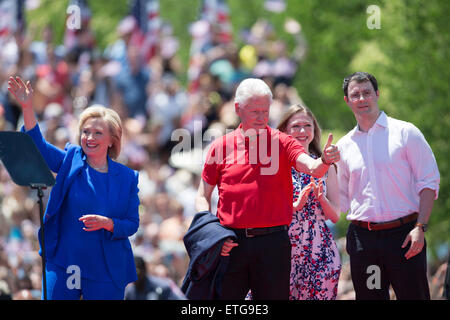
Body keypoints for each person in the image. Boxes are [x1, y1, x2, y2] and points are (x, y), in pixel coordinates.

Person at [195, 78, 340, 300]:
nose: (262, 118)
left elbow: (312, 167)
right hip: (231, 243)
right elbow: (202, 196)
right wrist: (211, 234)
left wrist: (324, 161)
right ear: (238, 109)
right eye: (255, 111)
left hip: (274, 244)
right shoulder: (220, 146)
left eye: (265, 110)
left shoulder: (283, 142)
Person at [8, 76, 140, 300]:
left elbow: (131, 224)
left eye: (98, 133)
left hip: (105, 267)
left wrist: (107, 223)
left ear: (111, 140)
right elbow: (38, 145)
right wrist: (28, 107)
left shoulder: (127, 177)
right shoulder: (71, 159)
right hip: (65, 261)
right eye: (86, 131)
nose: (89, 137)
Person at [337, 71, 440, 300]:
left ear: (377, 94)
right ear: (347, 101)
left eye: (367, 93)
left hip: (405, 238)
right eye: (355, 95)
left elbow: (429, 182)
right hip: (365, 242)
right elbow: (340, 201)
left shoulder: (406, 133)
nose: (362, 99)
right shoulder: (343, 146)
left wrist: (420, 227)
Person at [277, 104, 341, 300]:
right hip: (283, 247)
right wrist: (295, 205)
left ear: (314, 130)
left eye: (307, 125)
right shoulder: (275, 166)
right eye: (296, 126)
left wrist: (321, 199)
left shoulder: (326, 166)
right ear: (284, 131)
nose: (302, 131)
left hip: (319, 249)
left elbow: (336, 215)